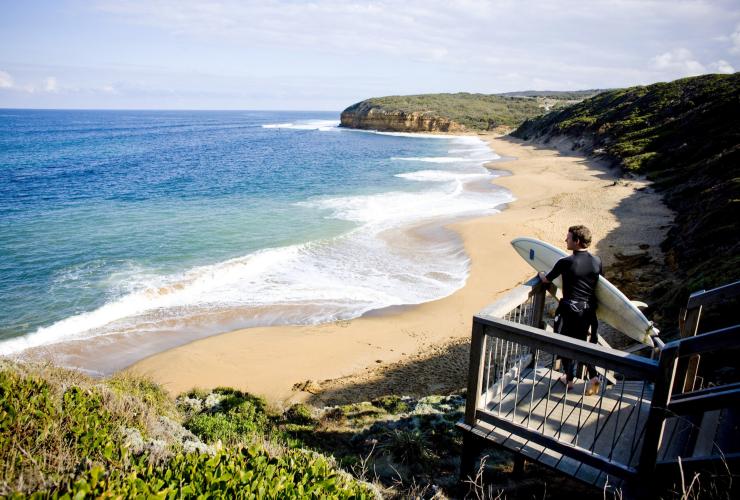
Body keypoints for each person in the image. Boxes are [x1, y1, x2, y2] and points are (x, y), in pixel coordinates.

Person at [538, 225, 602, 395]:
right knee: (583, 343)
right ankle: (594, 377)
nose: (565, 240)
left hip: (568, 311)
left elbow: (546, 280)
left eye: (568, 238)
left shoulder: (565, 262)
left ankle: (569, 379)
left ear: (577, 241)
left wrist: (540, 274)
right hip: (587, 312)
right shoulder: (597, 261)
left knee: (564, 343)